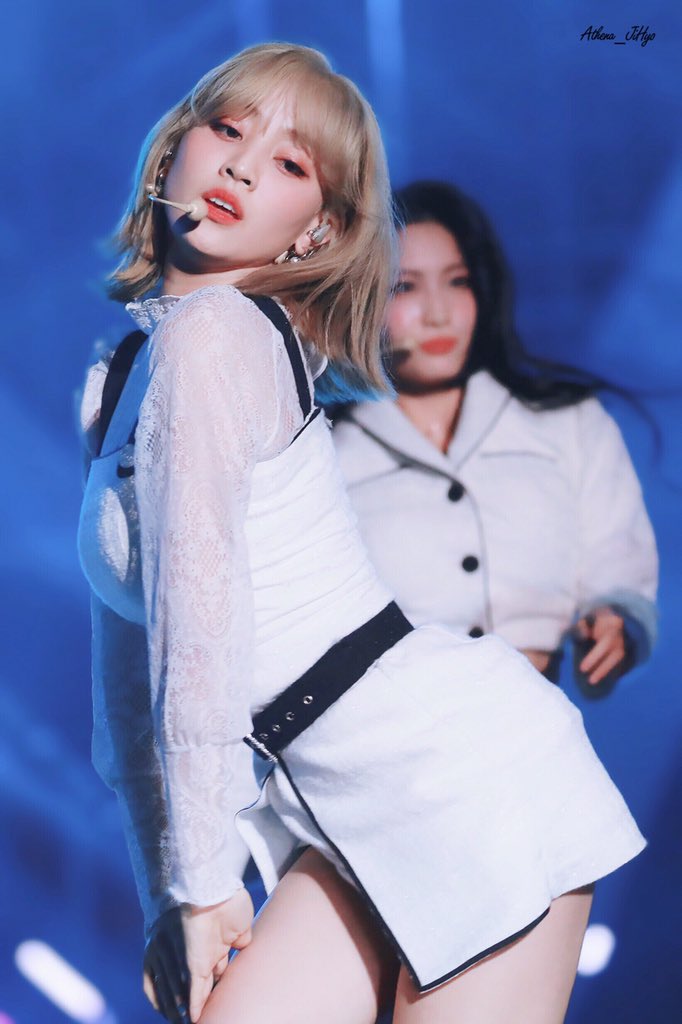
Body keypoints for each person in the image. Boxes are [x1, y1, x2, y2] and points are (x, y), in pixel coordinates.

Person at [78, 45, 645, 1024]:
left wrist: (203, 884)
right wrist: (169, 892)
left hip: (465, 778)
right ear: (172, 149)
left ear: (317, 230)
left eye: (290, 163)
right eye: (228, 128)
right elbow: (128, 693)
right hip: (333, 807)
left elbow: (201, 637)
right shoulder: (121, 374)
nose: (242, 165)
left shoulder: (218, 335)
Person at [333, 180, 658, 691]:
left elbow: (618, 560)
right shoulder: (325, 449)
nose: (438, 313)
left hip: (535, 721)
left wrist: (616, 618)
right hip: (388, 723)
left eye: (458, 281)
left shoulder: (569, 422)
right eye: (405, 287)